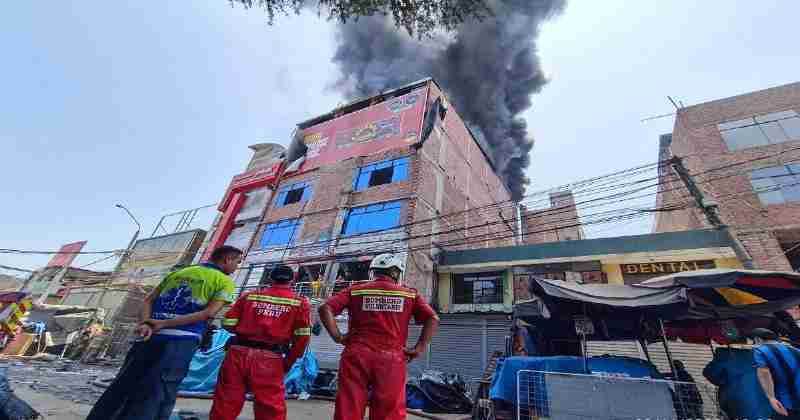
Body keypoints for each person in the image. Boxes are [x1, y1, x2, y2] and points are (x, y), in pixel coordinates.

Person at [86, 245, 241, 420]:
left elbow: (148, 300)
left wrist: (146, 323)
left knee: (123, 385)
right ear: (227, 259)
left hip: (149, 337)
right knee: (158, 392)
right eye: (237, 262)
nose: (237, 267)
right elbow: (209, 313)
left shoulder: (179, 273)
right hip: (180, 342)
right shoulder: (224, 281)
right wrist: (164, 323)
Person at [319, 253, 439, 420]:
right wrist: (419, 348)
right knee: (389, 411)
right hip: (391, 359)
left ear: (373, 272)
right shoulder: (409, 294)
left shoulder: (355, 290)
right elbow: (432, 318)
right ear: (396, 273)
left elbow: (325, 308)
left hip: (356, 355)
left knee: (348, 406)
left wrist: (338, 337)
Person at [210, 264, 311, 420]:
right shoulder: (299, 303)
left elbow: (228, 323)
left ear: (270, 278)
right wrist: (288, 362)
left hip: (238, 353)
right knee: (270, 407)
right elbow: (302, 337)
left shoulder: (249, 296)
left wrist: (246, 328)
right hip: (270, 359)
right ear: (293, 280)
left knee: (226, 401)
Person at [752, 327, 800, 419]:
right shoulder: (795, 350)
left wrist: (771, 397)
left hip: (783, 402)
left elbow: (764, 372)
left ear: (757, 339)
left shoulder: (760, 350)